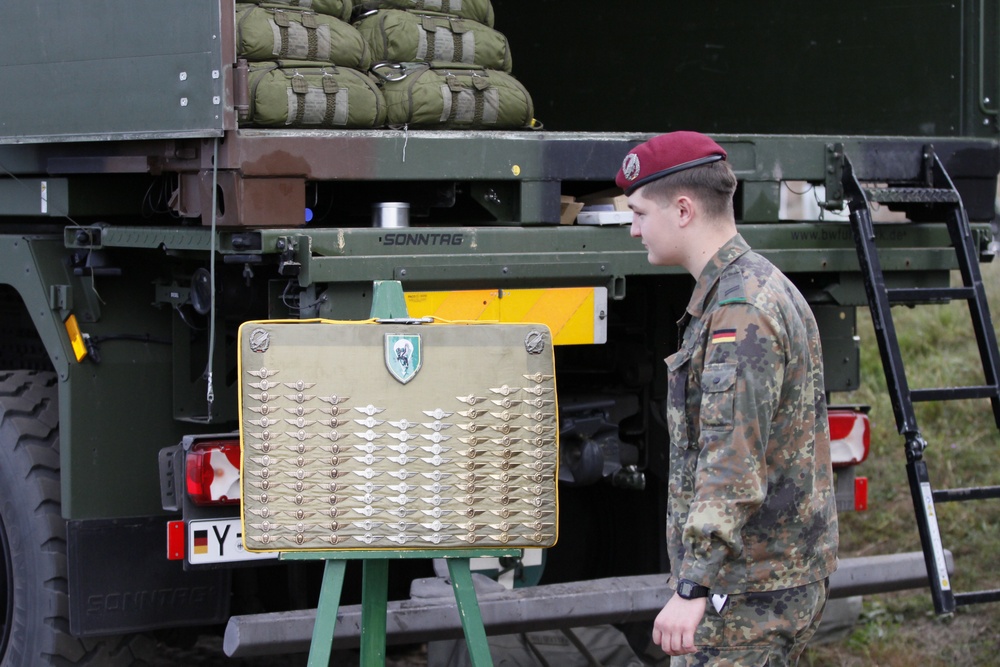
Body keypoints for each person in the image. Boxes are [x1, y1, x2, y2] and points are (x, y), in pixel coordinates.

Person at [615, 132, 838, 666]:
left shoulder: (740, 311)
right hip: (765, 578)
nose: (633, 228)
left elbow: (731, 461)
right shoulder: (759, 287)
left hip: (743, 594)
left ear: (684, 209)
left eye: (641, 212)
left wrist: (693, 588)